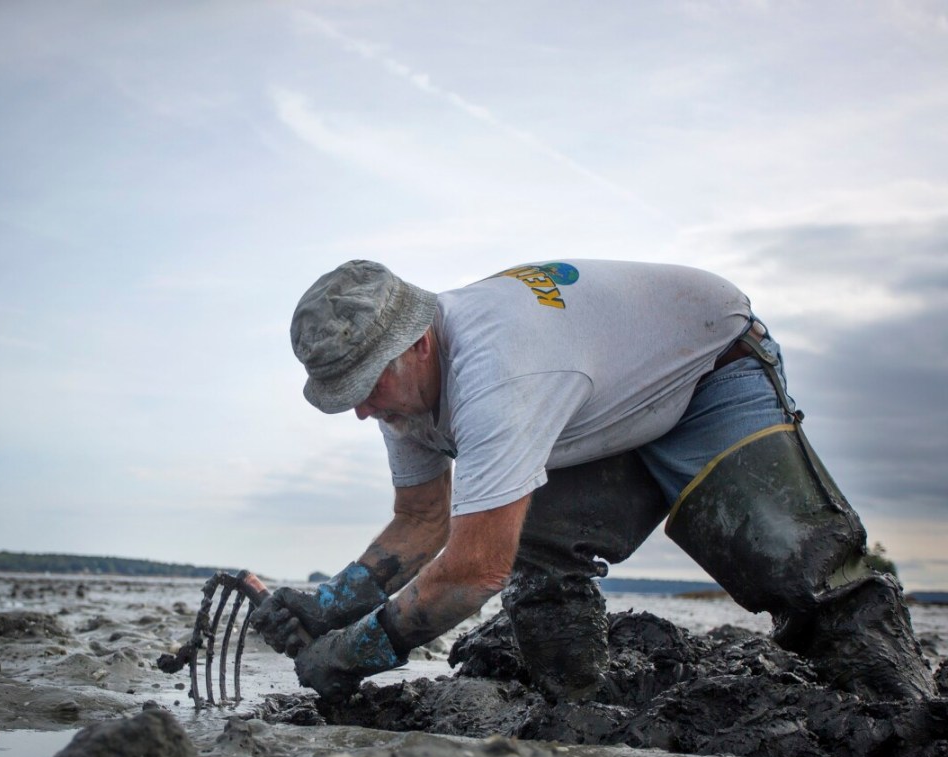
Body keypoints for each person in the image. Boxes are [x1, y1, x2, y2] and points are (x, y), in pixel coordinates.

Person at [251, 259, 937, 705]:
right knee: (534, 546)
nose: (362, 410)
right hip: (604, 408)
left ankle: (905, 710)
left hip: (707, 365)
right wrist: (329, 604)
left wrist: (355, 651)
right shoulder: (401, 392)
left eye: (366, 387)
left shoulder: (498, 373)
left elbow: (472, 569)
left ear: (419, 343)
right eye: (346, 395)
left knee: (794, 563)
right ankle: (576, 709)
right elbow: (423, 519)